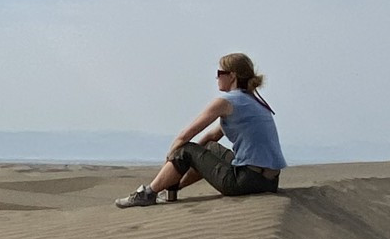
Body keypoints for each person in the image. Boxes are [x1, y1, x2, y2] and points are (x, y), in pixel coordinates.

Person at [115, 53, 286, 208]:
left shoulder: (226, 101)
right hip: (269, 182)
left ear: (232, 76)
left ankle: (148, 193)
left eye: (220, 73)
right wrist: (181, 166)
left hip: (244, 182)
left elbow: (185, 135)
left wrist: (173, 157)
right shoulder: (253, 101)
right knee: (209, 147)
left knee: (185, 149)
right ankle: (173, 187)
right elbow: (213, 136)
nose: (216, 77)